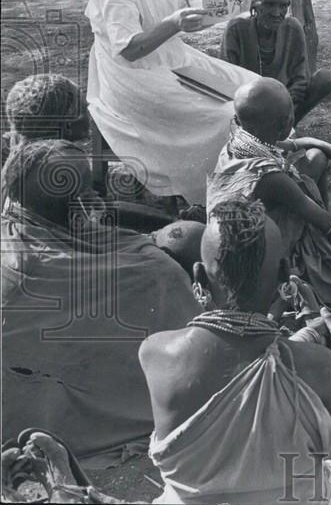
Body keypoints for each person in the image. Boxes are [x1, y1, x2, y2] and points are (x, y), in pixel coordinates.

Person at [140, 199, 331, 504]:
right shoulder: (322, 369)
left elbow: (239, 352)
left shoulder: (156, 354)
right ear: (285, 272)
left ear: (199, 276)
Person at [1, 139, 200, 460]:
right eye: (91, 190)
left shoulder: (15, 229)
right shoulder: (150, 273)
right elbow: (193, 364)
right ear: (82, 205)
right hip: (75, 428)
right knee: (189, 236)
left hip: (15, 422)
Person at [86, 0, 258, 206]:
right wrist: (174, 24)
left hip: (172, 57)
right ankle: (223, 191)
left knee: (256, 90)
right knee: (225, 117)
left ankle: (257, 171)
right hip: (131, 75)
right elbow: (130, 50)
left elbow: (188, 17)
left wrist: (236, 3)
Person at [208, 78, 331, 307]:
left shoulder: (240, 142)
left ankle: (327, 222)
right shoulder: (271, 178)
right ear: (286, 124)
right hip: (272, 265)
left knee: (315, 158)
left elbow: (311, 143)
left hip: (234, 251)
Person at [221, 0, 331, 125]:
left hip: (284, 104)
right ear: (254, 4)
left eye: (283, 6)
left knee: (325, 78)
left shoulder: (293, 28)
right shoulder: (236, 28)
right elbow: (226, 80)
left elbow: (300, 80)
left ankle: (285, 128)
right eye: (269, 5)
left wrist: (283, 108)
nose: (276, 13)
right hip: (247, 107)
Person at [2, 74, 89, 166]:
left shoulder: (20, 155)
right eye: (84, 110)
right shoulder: (67, 159)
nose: (89, 119)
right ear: (68, 122)